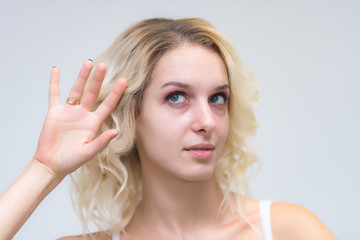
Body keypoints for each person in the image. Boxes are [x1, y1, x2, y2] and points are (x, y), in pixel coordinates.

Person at [0, 18, 336, 240]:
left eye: (218, 98)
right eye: (177, 97)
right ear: (131, 114)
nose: (207, 121)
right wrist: (43, 169)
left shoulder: (286, 229)